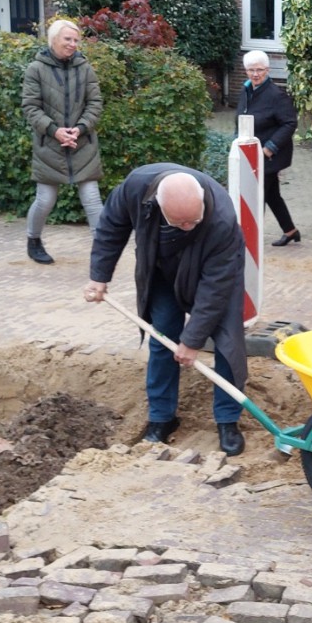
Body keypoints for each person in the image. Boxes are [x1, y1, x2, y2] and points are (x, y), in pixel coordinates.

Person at [84, 165, 249, 456]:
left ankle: (227, 419)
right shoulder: (136, 187)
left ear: (201, 204)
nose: (188, 227)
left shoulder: (222, 219)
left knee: (227, 343)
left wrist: (192, 340)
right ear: (160, 207)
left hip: (214, 274)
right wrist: (100, 275)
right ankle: (162, 417)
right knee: (163, 337)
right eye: (180, 223)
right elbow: (112, 226)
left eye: (193, 221)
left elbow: (214, 291)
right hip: (161, 269)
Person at [21, 18, 105, 264]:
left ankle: (102, 251)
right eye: (68, 39)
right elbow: (31, 107)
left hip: (83, 145)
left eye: (76, 40)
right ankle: (33, 240)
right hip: (50, 146)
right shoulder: (35, 69)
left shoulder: (85, 68)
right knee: (45, 200)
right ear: (53, 39)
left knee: (92, 199)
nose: (73, 44)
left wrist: (80, 129)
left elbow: (95, 103)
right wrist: (55, 131)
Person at [236, 50, 301, 247]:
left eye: (260, 70)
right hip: (250, 153)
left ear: (268, 70)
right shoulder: (246, 90)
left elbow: (290, 123)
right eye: (251, 70)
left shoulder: (276, 95)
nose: (255, 74)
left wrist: (269, 148)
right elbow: (240, 118)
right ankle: (290, 231)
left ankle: (249, 239)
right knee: (272, 194)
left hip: (269, 156)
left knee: (256, 195)